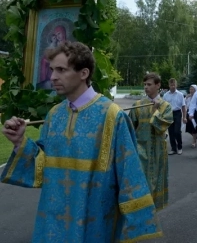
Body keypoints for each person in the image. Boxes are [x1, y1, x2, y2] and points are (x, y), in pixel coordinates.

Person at [1, 42, 161, 242]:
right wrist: (20, 142)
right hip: (53, 223)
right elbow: (43, 168)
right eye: (52, 70)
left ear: (84, 73)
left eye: (61, 70)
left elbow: (130, 174)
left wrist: (136, 224)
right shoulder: (54, 115)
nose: (52, 77)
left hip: (94, 224)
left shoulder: (112, 116)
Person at [129, 72, 173, 211]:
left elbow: (163, 126)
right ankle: (142, 210)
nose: (146, 87)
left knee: (156, 180)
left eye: (149, 84)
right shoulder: (138, 104)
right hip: (140, 149)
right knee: (142, 182)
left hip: (158, 150)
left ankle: (153, 211)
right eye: (145, 85)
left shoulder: (165, 106)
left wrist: (155, 111)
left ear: (158, 85)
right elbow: (130, 127)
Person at [162, 78, 186, 155]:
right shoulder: (165, 95)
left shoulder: (180, 94)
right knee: (171, 132)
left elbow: (183, 106)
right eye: (171, 85)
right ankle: (173, 148)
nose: (173, 86)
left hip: (177, 113)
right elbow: (163, 106)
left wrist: (184, 117)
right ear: (169, 85)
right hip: (169, 114)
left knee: (177, 131)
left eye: (174, 85)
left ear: (176, 85)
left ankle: (180, 147)